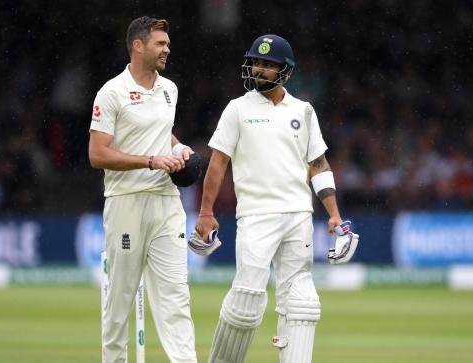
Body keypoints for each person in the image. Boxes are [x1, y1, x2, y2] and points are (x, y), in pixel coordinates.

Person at [194, 34, 359, 363]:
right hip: (256, 216)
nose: (258, 69)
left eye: (267, 65)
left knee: (301, 304)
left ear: (286, 71)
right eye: (256, 62)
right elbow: (218, 163)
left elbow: (318, 165)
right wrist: (205, 212)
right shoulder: (237, 109)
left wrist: (334, 215)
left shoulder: (304, 110)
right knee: (246, 301)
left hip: (298, 216)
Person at [89, 16, 198, 363]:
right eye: (160, 43)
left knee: (176, 297)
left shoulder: (170, 89)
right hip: (127, 202)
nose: (168, 48)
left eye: (167, 43)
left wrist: (179, 148)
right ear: (138, 46)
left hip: (166, 202)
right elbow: (97, 154)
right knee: (119, 300)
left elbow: (162, 132)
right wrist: (151, 161)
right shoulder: (112, 92)